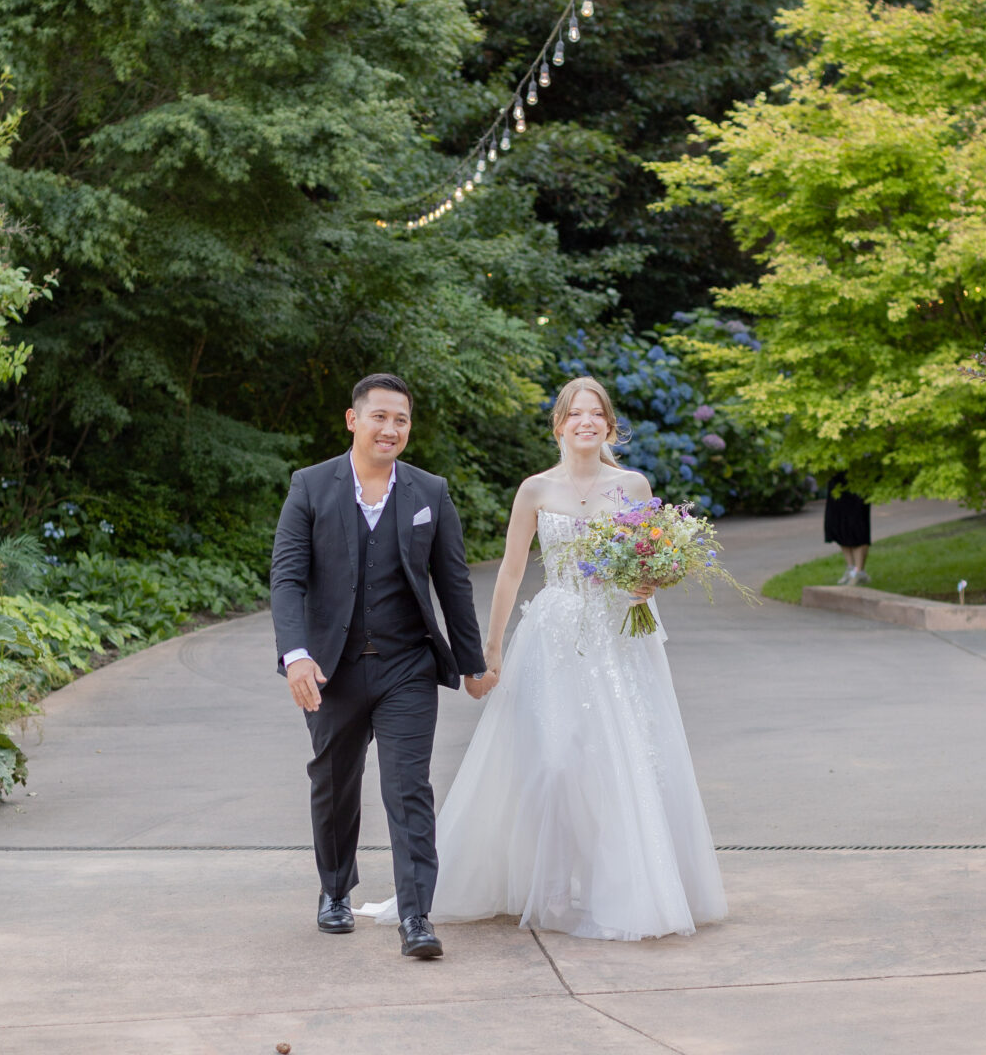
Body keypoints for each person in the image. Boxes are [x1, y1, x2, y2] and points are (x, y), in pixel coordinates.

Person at [419, 375, 726, 943]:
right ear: (559, 425)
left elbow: (652, 561)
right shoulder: (535, 490)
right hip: (555, 636)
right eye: (574, 414)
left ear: (609, 426)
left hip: (618, 638)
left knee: (621, 762)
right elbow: (511, 572)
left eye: (596, 414)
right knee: (555, 763)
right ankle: (553, 888)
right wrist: (491, 650)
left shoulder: (633, 486)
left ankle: (625, 889)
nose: (586, 422)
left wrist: (649, 585)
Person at [270, 374, 494, 960]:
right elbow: (287, 578)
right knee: (334, 783)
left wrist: (472, 663)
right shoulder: (311, 486)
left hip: (407, 667)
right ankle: (335, 891)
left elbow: (452, 582)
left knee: (408, 789)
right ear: (353, 420)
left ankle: (417, 915)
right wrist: (296, 655)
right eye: (380, 418)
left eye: (401, 420)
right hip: (331, 671)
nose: (391, 429)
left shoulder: (430, 492)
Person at [823, 475, 872, 584]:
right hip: (836, 479)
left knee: (857, 525)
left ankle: (859, 571)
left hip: (858, 477)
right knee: (839, 524)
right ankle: (851, 569)